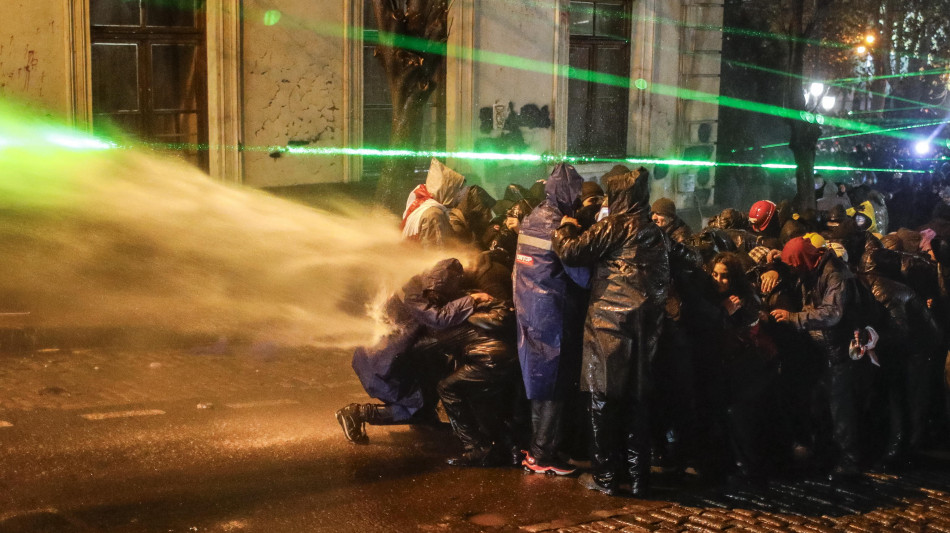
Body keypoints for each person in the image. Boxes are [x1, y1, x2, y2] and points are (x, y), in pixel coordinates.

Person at [553, 166, 670, 497]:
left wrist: (563, 229)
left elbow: (572, 252)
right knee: (637, 403)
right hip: (646, 329)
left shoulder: (615, 226)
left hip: (609, 325)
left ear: (619, 197)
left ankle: (605, 478)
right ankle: (638, 479)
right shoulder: (656, 232)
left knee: (602, 403)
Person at [336, 258, 492, 443]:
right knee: (413, 407)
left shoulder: (420, 286)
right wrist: (471, 299)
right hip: (383, 362)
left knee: (431, 381)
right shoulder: (415, 295)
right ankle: (356, 413)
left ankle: (425, 420)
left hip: (395, 357)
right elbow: (438, 317)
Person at [770, 237, 873, 481]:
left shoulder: (836, 275)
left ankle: (850, 463)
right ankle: (827, 456)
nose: (793, 270)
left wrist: (794, 317)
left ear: (802, 262)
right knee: (820, 407)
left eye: (794, 265)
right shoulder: (813, 270)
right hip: (823, 352)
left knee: (841, 412)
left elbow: (832, 313)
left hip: (840, 352)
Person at [513, 163, 590, 476]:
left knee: (537, 382)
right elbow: (582, 277)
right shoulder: (560, 227)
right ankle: (545, 455)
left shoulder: (530, 219)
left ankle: (537, 448)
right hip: (553, 314)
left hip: (527, 310)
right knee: (554, 386)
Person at [401, 158, 466, 249]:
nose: (460, 196)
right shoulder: (434, 216)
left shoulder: (423, 207)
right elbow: (435, 253)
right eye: (458, 191)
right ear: (447, 191)